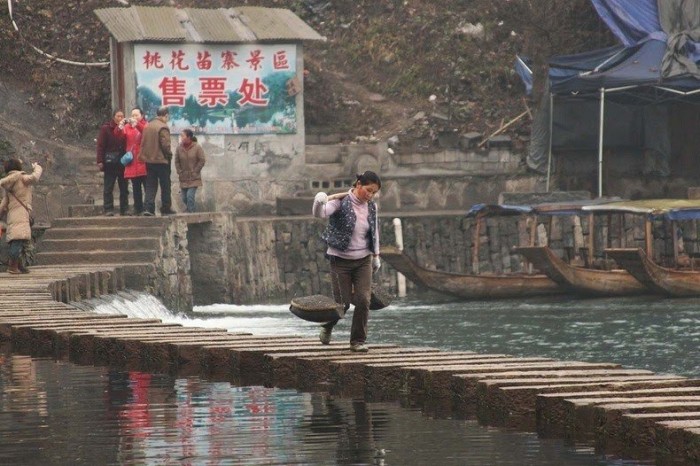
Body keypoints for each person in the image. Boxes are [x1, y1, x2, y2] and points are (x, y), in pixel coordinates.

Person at [312, 170, 382, 352]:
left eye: (374, 192)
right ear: (358, 185)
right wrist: (318, 202)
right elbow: (320, 214)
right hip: (340, 260)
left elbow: (374, 232)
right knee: (342, 304)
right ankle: (328, 326)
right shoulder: (340, 202)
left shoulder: (372, 207)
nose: (370, 195)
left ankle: (357, 341)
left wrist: (376, 256)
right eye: (368, 190)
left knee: (363, 300)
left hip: (363, 260)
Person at [0, 159, 42, 274]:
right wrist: (37, 167)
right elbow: (35, 177)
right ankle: (12, 266)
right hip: (21, 214)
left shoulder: (7, 184)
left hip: (12, 215)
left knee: (18, 240)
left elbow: (4, 203)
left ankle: (18, 265)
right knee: (18, 241)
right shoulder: (22, 178)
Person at [139, 106, 174, 216]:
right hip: (161, 160)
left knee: (150, 185)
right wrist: (169, 155)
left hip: (149, 161)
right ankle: (166, 207)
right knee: (165, 185)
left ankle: (148, 208)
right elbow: (165, 145)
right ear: (166, 115)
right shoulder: (163, 127)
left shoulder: (147, 126)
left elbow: (143, 143)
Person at [114, 107, 147, 215]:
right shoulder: (127, 127)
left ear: (141, 115)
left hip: (143, 160)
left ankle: (148, 208)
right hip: (132, 161)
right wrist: (120, 127)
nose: (134, 117)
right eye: (132, 115)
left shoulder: (145, 125)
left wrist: (137, 124)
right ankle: (138, 208)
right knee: (136, 187)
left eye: (136, 115)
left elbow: (146, 133)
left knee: (147, 187)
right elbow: (118, 137)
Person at [96, 109, 128, 216]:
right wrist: (100, 160)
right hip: (110, 162)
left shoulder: (126, 128)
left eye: (122, 116)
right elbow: (100, 145)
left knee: (124, 187)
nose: (120, 118)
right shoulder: (106, 128)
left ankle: (125, 208)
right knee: (108, 187)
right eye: (118, 116)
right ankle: (108, 209)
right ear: (114, 117)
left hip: (123, 161)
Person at [174, 129, 206, 213]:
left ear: (189, 137)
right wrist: (179, 172)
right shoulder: (179, 148)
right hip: (183, 177)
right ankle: (192, 211)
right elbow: (176, 161)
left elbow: (202, 160)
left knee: (190, 196)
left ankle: (191, 214)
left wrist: (196, 171)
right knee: (184, 198)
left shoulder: (197, 147)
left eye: (183, 136)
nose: (181, 137)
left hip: (194, 177)